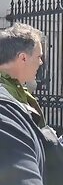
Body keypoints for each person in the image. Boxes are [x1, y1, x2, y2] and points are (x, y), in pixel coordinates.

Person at [0, 23, 45, 184]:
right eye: (39, 56)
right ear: (23, 58)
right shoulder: (5, 102)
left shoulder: (17, 90)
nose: (41, 62)